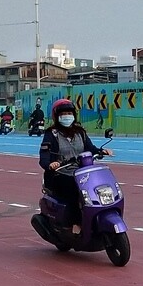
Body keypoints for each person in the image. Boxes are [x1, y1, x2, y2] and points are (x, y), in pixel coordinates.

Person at [38, 98, 113, 234]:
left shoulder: (80, 132)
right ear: (56, 116)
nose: (67, 116)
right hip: (60, 174)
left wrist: (101, 151)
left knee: (99, 187)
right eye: (63, 114)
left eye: (69, 113)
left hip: (82, 171)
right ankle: (75, 222)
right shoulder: (51, 134)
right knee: (76, 191)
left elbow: (90, 148)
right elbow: (44, 156)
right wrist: (50, 164)